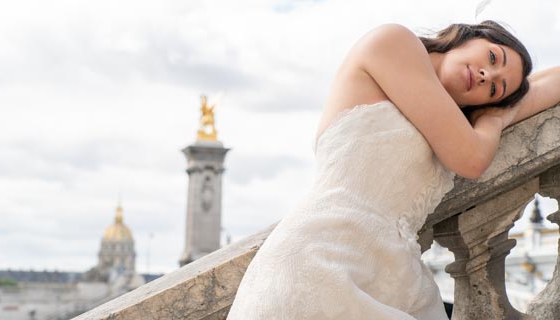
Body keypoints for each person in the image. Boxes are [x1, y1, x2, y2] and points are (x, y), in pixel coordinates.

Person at [227, 21, 560, 319]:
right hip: (316, 267)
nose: (488, 76)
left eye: (495, 90)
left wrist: (495, 113)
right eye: (492, 57)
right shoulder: (393, 42)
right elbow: (471, 159)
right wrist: (497, 116)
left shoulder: (451, 123)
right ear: (468, 36)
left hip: (392, 279)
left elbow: (549, 84)